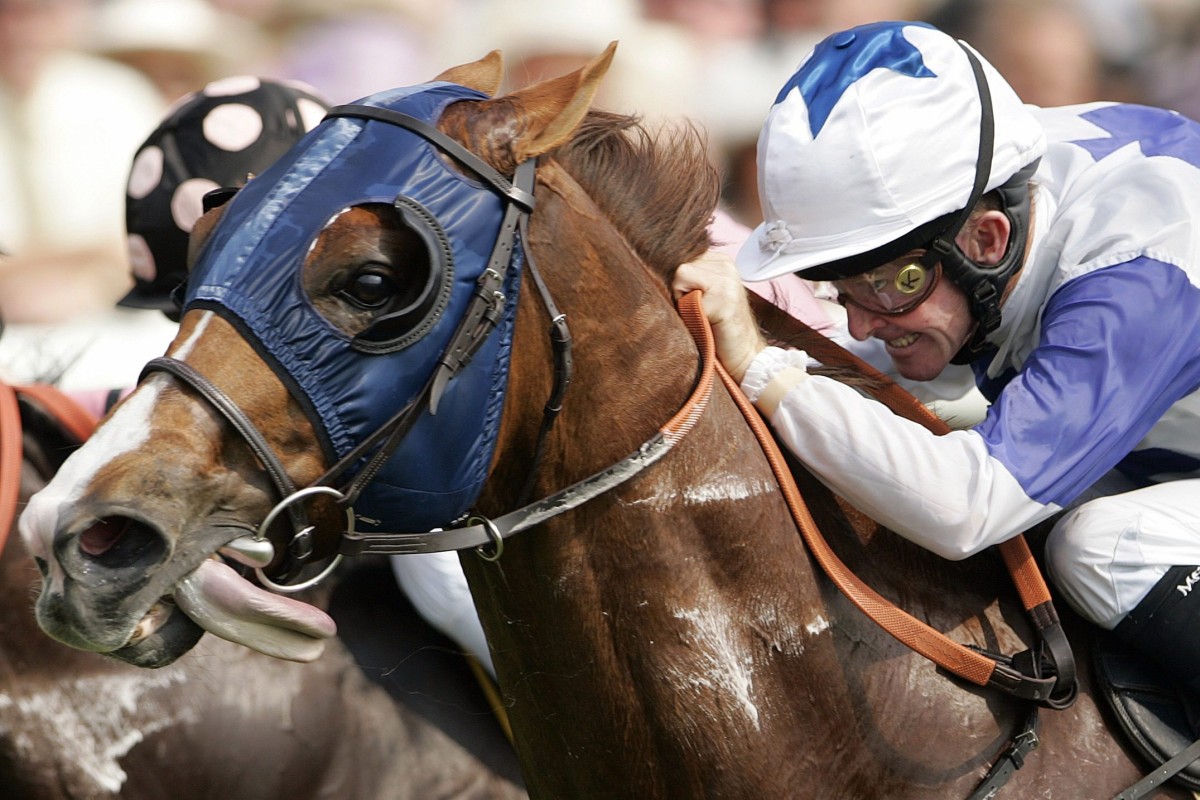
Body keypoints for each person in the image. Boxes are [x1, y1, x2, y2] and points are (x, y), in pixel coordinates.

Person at [673, 19, 1200, 694]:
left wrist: (760, 364)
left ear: (987, 238)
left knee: (1104, 549)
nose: (863, 321)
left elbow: (966, 509)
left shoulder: (1137, 266)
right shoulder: (985, 179)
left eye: (894, 284)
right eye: (841, 283)